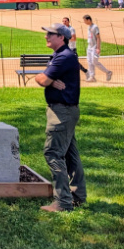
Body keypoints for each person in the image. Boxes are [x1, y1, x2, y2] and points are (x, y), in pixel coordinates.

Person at [35, 23, 86, 212]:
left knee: (53, 153)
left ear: (61, 38)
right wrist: (46, 80)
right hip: (65, 112)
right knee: (71, 155)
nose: (46, 36)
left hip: (61, 113)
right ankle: (77, 195)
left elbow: (43, 80)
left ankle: (63, 202)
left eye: (51, 34)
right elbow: (43, 79)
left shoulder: (63, 57)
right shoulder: (62, 56)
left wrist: (46, 80)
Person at [81, 15, 112, 82]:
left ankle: (108, 72)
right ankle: (92, 77)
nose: (84, 22)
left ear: (88, 20)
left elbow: (98, 37)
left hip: (94, 47)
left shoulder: (95, 27)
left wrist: (98, 48)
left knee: (94, 61)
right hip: (89, 46)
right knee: (89, 62)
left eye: (85, 20)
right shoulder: (89, 27)